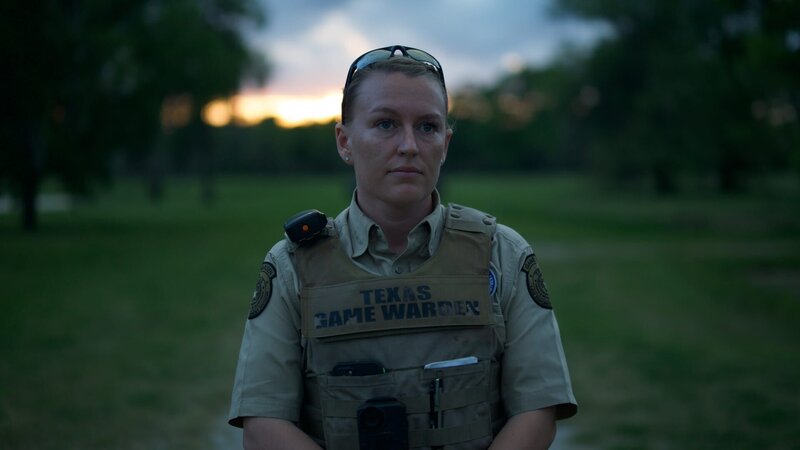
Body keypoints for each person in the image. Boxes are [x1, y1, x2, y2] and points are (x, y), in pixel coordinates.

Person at [228, 44, 577, 450]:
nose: (409, 145)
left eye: (427, 127)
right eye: (385, 124)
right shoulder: (293, 265)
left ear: (445, 143)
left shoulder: (501, 255)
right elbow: (263, 423)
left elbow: (538, 409)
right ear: (345, 141)